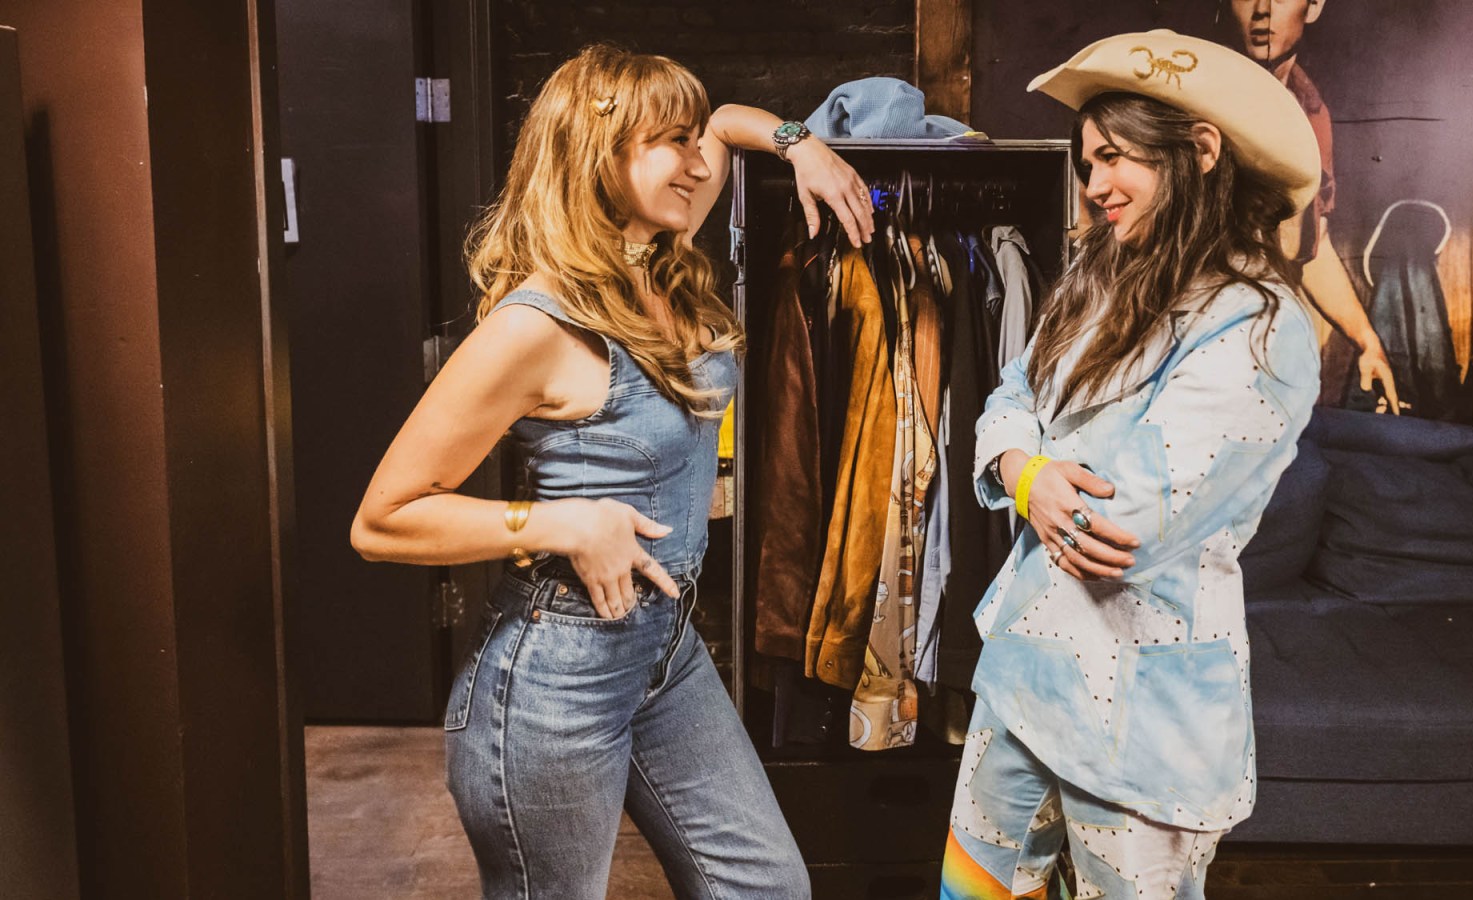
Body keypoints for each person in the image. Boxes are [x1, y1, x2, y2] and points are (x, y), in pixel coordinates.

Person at [349, 44, 874, 899]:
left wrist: (800, 143)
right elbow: (382, 518)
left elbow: (727, 124)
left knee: (769, 887)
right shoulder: (536, 325)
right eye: (671, 142)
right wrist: (559, 521)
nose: (698, 164)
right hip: (556, 671)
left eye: (691, 145)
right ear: (599, 153)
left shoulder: (656, 252)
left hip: (665, 647)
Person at [939, 30, 1322, 899]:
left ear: (1200, 151)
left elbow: (1117, 524)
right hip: (1022, 680)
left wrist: (1035, 463)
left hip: (1144, 727)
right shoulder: (1097, 283)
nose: (1094, 185)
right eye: (1087, 164)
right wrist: (1028, 474)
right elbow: (1007, 397)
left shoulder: (1257, 325)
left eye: (1114, 158)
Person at [1223, 0, 1401, 413]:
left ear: (1315, 5)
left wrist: (1367, 341)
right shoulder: (1197, 93)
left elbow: (1310, 246)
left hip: (1268, 361)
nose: (1262, 9)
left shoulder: (1312, 110)